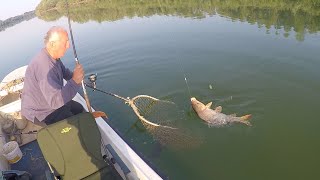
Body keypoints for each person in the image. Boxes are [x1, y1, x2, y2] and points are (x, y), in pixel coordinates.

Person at [21, 26, 85, 126]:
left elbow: (64, 72)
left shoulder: (53, 57)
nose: (68, 46)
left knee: (79, 109)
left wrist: (76, 77)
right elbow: (55, 102)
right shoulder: (44, 67)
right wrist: (75, 81)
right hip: (42, 112)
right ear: (52, 44)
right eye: (65, 42)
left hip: (51, 102)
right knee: (75, 125)